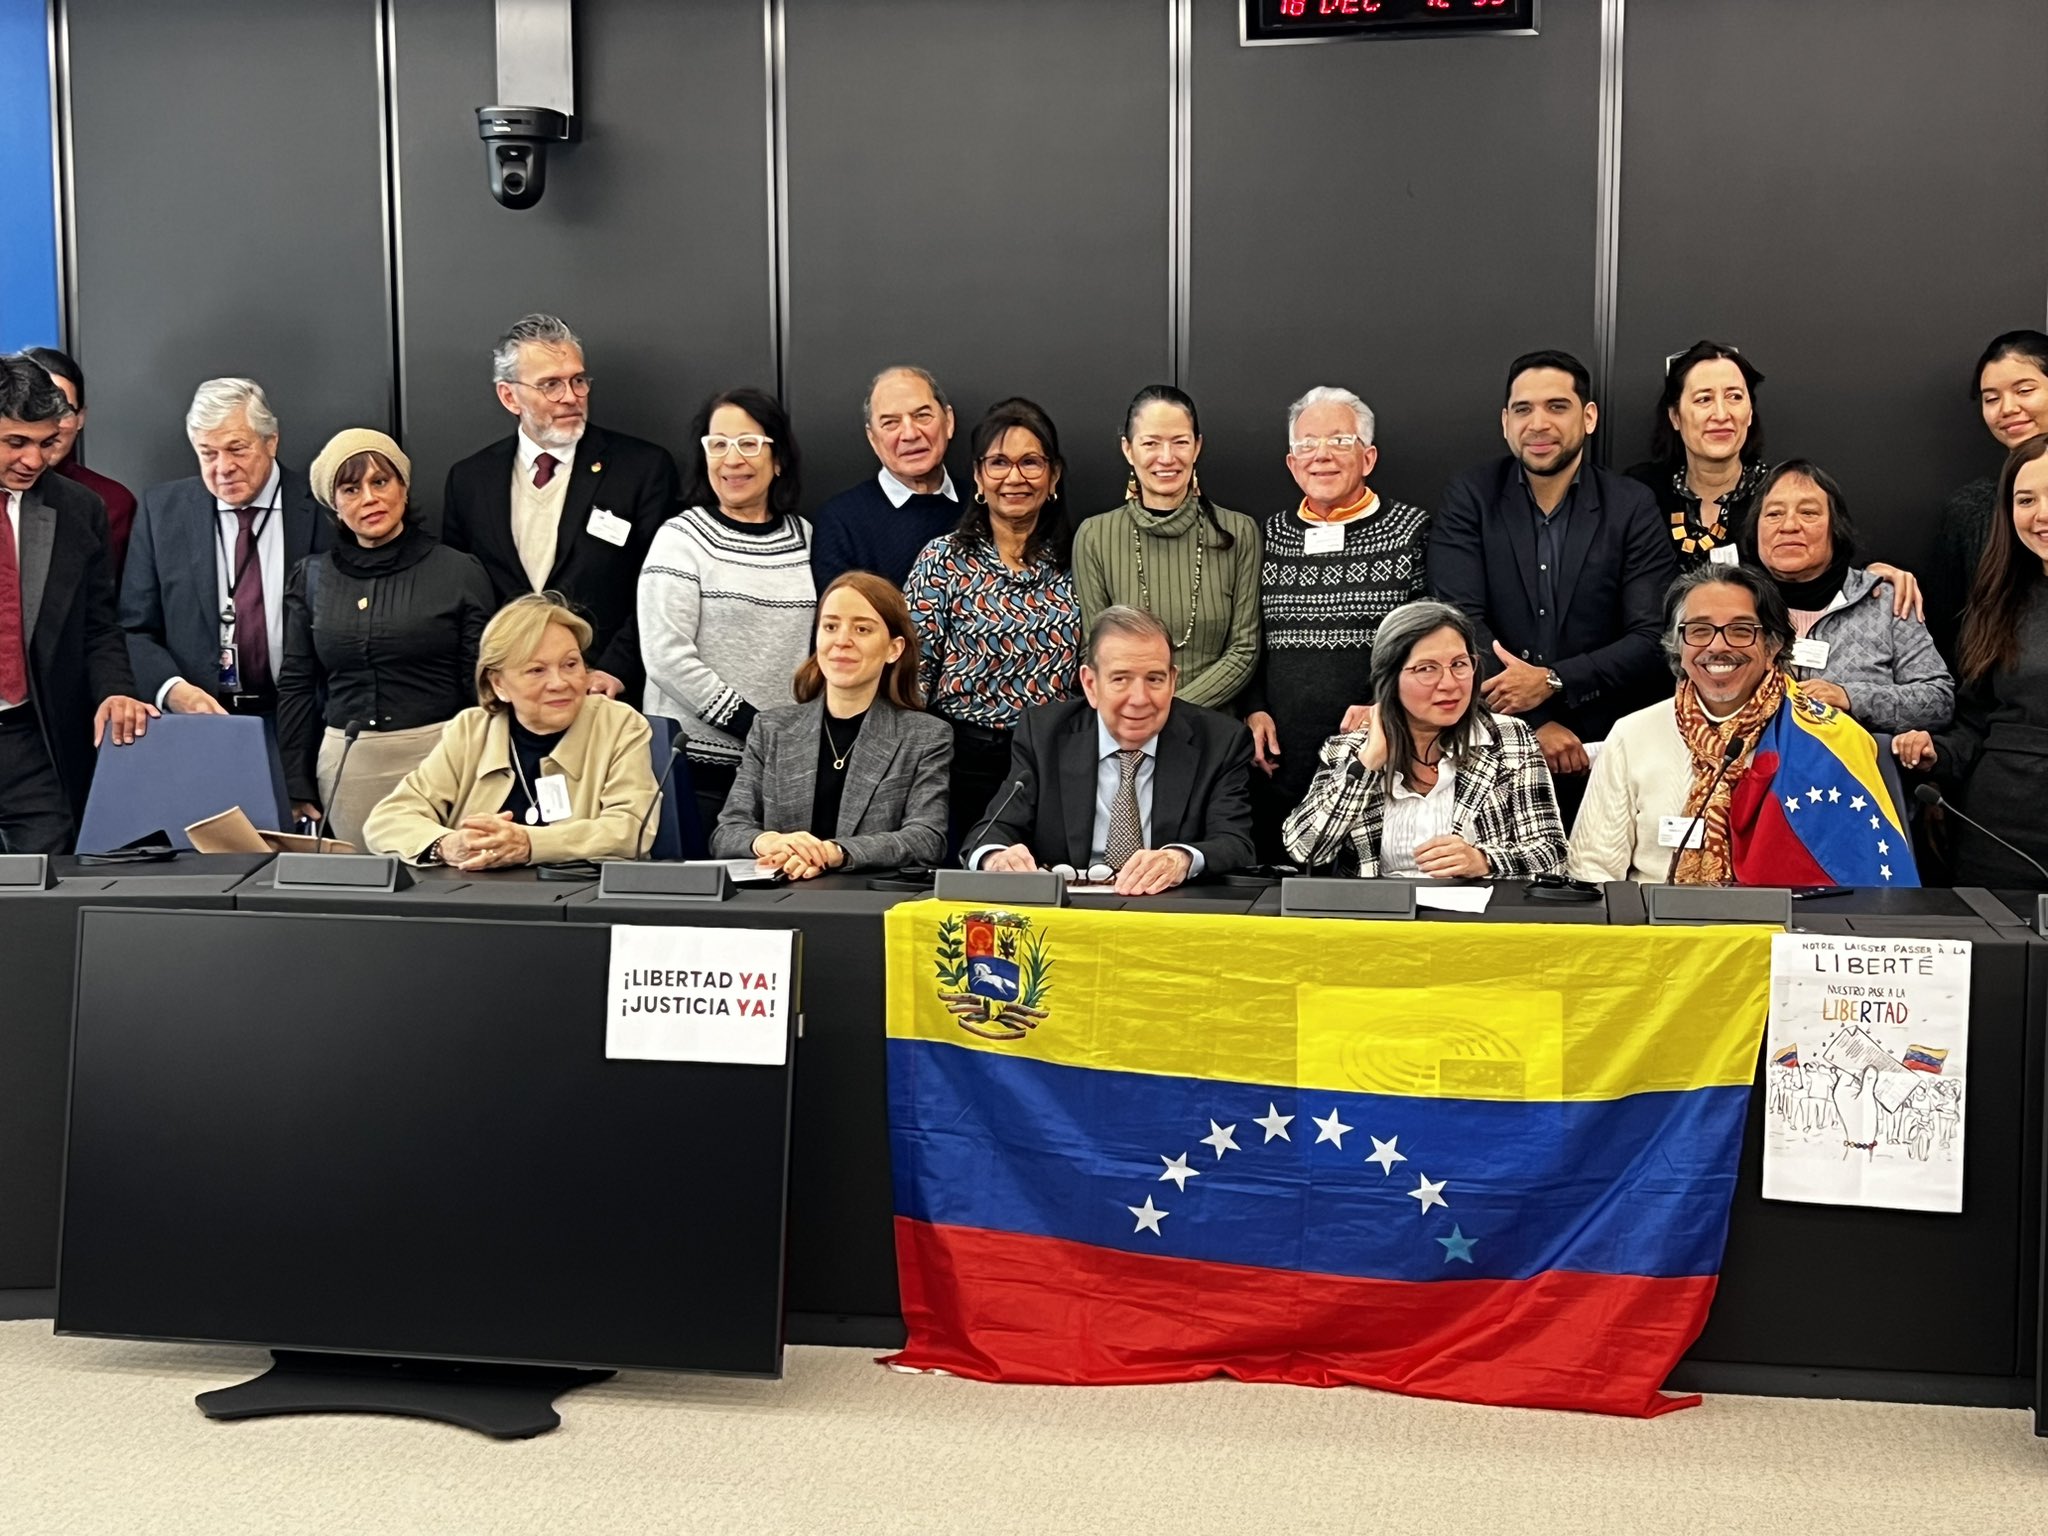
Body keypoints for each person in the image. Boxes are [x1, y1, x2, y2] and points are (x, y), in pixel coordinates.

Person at [1430, 349, 1677, 820]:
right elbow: (1458, 624)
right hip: (1492, 745)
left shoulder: (1630, 505)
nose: (1538, 424)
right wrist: (1533, 723)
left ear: (1588, 418)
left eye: (1556, 407)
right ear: (1505, 422)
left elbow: (1651, 638)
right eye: (1523, 409)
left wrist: (1553, 682)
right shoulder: (1471, 497)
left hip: (1607, 747)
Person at [1570, 564, 1915, 887]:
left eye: (1740, 630)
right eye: (1700, 630)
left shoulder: (1831, 739)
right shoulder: (1633, 734)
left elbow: (1861, 879)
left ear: (1773, 645)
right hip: (1656, 938)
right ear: (1678, 646)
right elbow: (1593, 871)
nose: (1718, 646)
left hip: (1783, 938)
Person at [440, 313, 681, 699]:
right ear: (509, 396)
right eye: (550, 384)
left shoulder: (641, 468)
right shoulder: (471, 480)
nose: (570, 396)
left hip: (601, 693)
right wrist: (488, 680)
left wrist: (616, 670)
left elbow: (661, 589)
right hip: (510, 697)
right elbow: (461, 597)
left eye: (577, 380)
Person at [277, 430, 496, 849]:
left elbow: (482, 684)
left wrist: (485, 765)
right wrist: (296, 780)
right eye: (351, 488)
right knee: (364, 896)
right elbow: (297, 683)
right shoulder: (311, 578)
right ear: (335, 505)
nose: (369, 498)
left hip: (444, 759)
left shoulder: (458, 571)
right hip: (349, 766)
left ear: (404, 487)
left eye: (381, 482)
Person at [1242, 385, 1430, 860]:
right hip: (1279, 765)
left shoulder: (1411, 530)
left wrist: (1384, 705)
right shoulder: (1269, 536)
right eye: (1306, 444)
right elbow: (1244, 633)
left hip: (1380, 763)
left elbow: (1432, 641)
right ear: (1291, 462)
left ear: (1367, 458)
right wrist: (1254, 706)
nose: (1321, 455)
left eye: (1339, 442)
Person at [967, 606, 1254, 894]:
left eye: (1154, 679)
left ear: (1172, 681)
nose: (1140, 699)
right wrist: (997, 858)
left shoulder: (1220, 742)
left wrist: (1180, 858)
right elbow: (991, 832)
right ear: (1090, 684)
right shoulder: (1045, 735)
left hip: (1168, 914)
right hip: (1068, 916)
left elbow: (1235, 843)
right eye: (1121, 679)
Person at [363, 594, 658, 868]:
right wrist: (447, 844)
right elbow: (387, 819)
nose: (559, 682)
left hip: (581, 901)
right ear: (499, 684)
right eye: (536, 670)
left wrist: (529, 843)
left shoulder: (619, 725)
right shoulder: (470, 731)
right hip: (479, 900)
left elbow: (631, 829)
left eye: (570, 664)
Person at [904, 397, 1082, 851]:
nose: (1015, 478)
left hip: (1056, 767)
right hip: (960, 767)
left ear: (1054, 475)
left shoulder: (1082, 561)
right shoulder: (941, 560)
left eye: (1031, 463)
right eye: (999, 463)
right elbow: (913, 676)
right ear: (980, 476)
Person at [1281, 601, 1566, 878]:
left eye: (1459, 664)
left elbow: (1553, 856)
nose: (1450, 683)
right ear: (1389, 678)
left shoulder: (1509, 739)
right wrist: (1369, 762)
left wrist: (1484, 860)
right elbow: (1306, 850)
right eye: (1426, 669)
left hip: (1478, 921)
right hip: (1378, 921)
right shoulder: (1349, 750)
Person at [640, 387, 814, 831]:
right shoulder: (681, 538)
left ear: (778, 460)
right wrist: (752, 727)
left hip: (784, 773)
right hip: (693, 771)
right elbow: (666, 656)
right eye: (718, 445)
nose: (732, 459)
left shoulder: (809, 538)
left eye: (749, 443)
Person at [0, 356, 151, 853]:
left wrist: (116, 690)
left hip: (34, 739)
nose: (33, 461)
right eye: (15, 443)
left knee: (46, 899)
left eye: (46, 443)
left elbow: (98, 625)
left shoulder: (79, 508)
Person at [712, 570, 951, 877]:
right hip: (775, 900)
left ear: (894, 649)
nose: (841, 641)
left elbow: (927, 839)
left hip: (865, 905)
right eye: (830, 626)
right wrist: (770, 842)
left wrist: (833, 852)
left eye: (862, 629)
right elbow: (727, 832)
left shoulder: (925, 736)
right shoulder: (771, 729)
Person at [119, 378, 329, 719]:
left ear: (271, 442)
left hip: (307, 719)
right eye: (208, 453)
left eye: (237, 449)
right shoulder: (162, 512)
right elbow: (134, 628)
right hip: (203, 725)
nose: (223, 468)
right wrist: (173, 690)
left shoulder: (323, 505)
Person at [1894, 434, 2048, 887]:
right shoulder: (1997, 599)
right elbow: (1977, 720)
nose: (2041, 515)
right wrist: (1934, 753)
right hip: (1999, 835)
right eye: (2025, 499)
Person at [1072, 385, 1261, 711]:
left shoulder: (1238, 532)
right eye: (1150, 443)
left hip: (1214, 728)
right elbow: (1094, 649)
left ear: (1197, 447)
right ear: (1128, 450)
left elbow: (1244, 649)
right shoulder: (1094, 536)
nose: (1166, 457)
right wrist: (1143, 712)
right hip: (1128, 723)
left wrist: (1171, 711)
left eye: (1180, 442)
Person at [1743, 460, 1952, 734]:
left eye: (1808, 513)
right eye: (1773, 514)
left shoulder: (1884, 601)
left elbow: (1939, 701)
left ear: (1835, 529)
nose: (1789, 525)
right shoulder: (1735, 604)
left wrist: (1851, 698)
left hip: (1860, 770)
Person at [1930, 331, 2048, 660]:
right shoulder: (1970, 509)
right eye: (1991, 398)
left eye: (2024, 390)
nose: (2007, 409)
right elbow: (1947, 625)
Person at [810, 366, 963, 591]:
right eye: (891, 423)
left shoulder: (983, 504)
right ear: (872, 438)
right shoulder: (840, 521)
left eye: (922, 416)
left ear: (948, 421)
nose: (910, 434)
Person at [1623, 341, 1770, 571]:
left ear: (1750, 413)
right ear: (1675, 416)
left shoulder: (1777, 494)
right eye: (1704, 399)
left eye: (1734, 397)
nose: (1721, 414)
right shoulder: (1641, 493)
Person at [21, 347, 137, 577]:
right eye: (36, 410)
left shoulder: (111, 502)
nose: (49, 426)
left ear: (80, 418)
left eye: (63, 410)